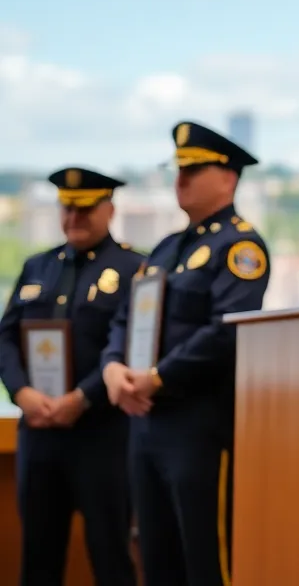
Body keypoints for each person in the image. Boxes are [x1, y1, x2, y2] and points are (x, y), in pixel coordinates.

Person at [101, 121, 270, 586]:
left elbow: (225, 331)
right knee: (156, 560)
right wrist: (113, 369)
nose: (181, 179)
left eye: (194, 170)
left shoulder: (240, 246)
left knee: (204, 562)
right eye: (179, 169)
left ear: (229, 179)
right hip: (144, 421)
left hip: (198, 426)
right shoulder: (164, 249)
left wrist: (158, 377)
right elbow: (123, 320)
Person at [0, 168, 142, 586]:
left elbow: (133, 346)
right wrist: (21, 392)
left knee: (111, 556)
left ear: (109, 209)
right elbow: (5, 337)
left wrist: (82, 398)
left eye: (85, 209)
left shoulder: (136, 269)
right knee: (37, 560)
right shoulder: (37, 266)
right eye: (67, 208)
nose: (74, 218)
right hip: (40, 434)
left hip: (102, 438)